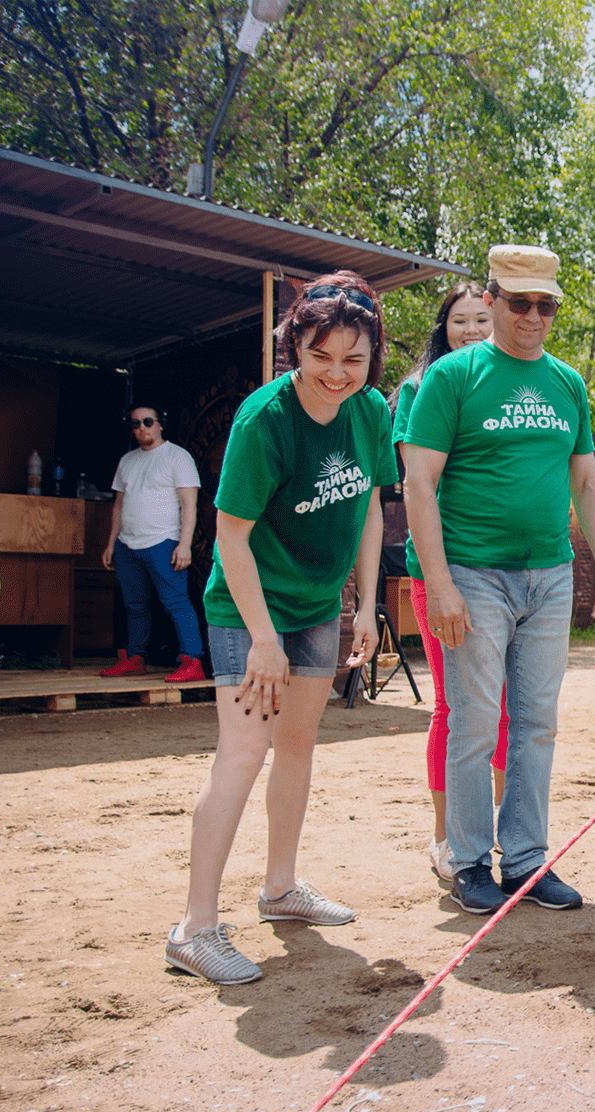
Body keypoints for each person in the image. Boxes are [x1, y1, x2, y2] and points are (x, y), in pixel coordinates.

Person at [163, 271, 394, 985]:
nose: (336, 375)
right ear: (296, 343)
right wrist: (262, 636)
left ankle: (280, 889)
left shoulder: (371, 411)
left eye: (353, 361)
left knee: (296, 745)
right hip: (249, 607)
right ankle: (194, 928)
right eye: (322, 357)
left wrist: (364, 604)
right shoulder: (264, 419)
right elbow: (229, 537)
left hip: (320, 606)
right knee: (243, 752)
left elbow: (371, 510)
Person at [401, 244, 595, 917]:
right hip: (473, 574)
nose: (534, 316)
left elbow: (586, 478)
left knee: (535, 724)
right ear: (494, 300)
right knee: (474, 720)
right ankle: (469, 861)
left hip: (549, 576)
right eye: (520, 302)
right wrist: (438, 582)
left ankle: (526, 860)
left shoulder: (567, 383)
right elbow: (418, 481)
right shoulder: (454, 378)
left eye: (546, 304)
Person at [390, 281, 510, 882]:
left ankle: (499, 838)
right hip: (443, 572)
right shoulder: (421, 388)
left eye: (481, 319)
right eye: (460, 320)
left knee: (509, 712)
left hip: (510, 575)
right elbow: (417, 483)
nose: (471, 329)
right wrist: (440, 577)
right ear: (445, 328)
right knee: (455, 707)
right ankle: (445, 838)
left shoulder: (513, 384)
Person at [99, 406, 207, 683]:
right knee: (134, 605)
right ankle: (135, 658)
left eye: (148, 422)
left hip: (163, 541)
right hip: (127, 544)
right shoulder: (127, 460)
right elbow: (119, 505)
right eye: (136, 424)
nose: (142, 428)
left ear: (160, 425)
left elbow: (189, 505)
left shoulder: (178, 457)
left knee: (176, 603)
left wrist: (185, 545)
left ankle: (193, 661)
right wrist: (111, 543)